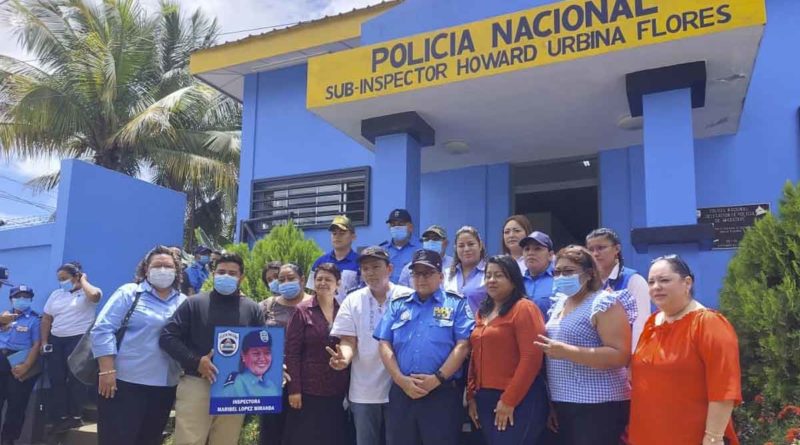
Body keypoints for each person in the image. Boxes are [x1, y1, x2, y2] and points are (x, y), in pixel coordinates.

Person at [629, 255, 741, 445]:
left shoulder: (708, 324)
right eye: (651, 282)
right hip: (646, 435)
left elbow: (724, 388)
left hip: (690, 436)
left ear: (686, 283)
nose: (656, 287)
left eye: (664, 280)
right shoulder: (652, 323)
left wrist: (713, 437)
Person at [533, 245, 637, 445]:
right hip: (564, 401)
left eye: (569, 271)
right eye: (558, 272)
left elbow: (619, 355)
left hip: (599, 405)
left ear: (589, 274)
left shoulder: (603, 302)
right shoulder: (560, 303)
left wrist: (568, 352)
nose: (562, 276)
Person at [159, 252, 264, 445]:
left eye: (232, 273)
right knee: (189, 441)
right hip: (197, 383)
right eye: (221, 272)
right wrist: (195, 361)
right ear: (213, 274)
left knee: (226, 441)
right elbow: (167, 337)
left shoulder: (253, 309)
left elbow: (261, 347)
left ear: (242, 277)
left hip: (235, 386)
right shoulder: (194, 303)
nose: (226, 276)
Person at [374, 249, 475, 445]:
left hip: (441, 393)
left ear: (441, 276)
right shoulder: (398, 305)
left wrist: (437, 378)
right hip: (403, 392)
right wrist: (400, 379)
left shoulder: (456, 304)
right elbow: (384, 342)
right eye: (416, 273)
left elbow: (463, 345)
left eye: (427, 273)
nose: (421, 278)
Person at [91, 246, 186, 445]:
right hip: (123, 384)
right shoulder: (130, 293)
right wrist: (106, 371)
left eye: (168, 266)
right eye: (157, 265)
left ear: (176, 272)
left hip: (164, 386)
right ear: (145, 269)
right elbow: (103, 329)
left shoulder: (183, 302)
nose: (162, 270)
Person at [329, 246, 414, 445]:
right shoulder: (352, 300)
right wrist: (344, 358)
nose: (370, 273)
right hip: (364, 391)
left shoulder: (409, 297)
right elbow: (349, 340)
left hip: (402, 388)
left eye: (376, 267)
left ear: (390, 269)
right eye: (365, 269)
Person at [467, 255, 548, 444]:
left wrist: (510, 399)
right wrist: (471, 395)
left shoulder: (524, 308)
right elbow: (475, 355)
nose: (492, 280)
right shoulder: (483, 311)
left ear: (513, 279)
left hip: (518, 397)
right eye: (488, 275)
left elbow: (531, 358)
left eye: (499, 275)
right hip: (485, 397)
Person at [283, 263, 350, 445]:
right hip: (308, 392)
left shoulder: (344, 310)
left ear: (338, 284)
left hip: (337, 390)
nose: (322, 283)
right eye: (319, 279)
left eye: (328, 279)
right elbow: (292, 352)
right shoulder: (302, 311)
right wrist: (294, 389)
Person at [41, 262, 102, 432]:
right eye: (59, 279)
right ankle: (60, 416)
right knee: (57, 378)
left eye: (64, 278)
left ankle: (75, 416)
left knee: (76, 378)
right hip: (57, 340)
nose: (61, 282)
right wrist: (45, 341)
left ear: (76, 276)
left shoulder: (88, 291)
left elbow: (95, 296)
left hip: (79, 340)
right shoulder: (56, 294)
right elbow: (46, 318)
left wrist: (83, 281)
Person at [258, 263, 312, 445]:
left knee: (300, 433)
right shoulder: (266, 306)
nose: (285, 283)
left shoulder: (315, 305)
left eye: (291, 279)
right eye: (281, 280)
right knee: (271, 433)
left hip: (306, 380)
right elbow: (250, 339)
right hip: (270, 378)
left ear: (302, 280)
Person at [585, 228, 650, 351]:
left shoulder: (634, 280)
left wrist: (633, 362)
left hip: (624, 359)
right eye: (590, 250)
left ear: (617, 249)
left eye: (601, 248)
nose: (595, 254)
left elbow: (640, 326)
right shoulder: (587, 282)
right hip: (593, 358)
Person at [0, 285, 42, 445]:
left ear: (31, 299)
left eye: (26, 297)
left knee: (16, 405)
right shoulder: (3, 316)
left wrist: (26, 366)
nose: (22, 300)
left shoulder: (34, 319)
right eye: (18, 297)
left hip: (20, 362)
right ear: (11, 299)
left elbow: (36, 344)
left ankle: (8, 439)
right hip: (1, 359)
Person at [307, 215, 360, 302]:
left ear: (353, 236)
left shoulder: (360, 262)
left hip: (350, 314)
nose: (337, 236)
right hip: (322, 313)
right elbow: (311, 292)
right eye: (334, 233)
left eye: (342, 233)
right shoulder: (320, 262)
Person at [221, 329, 280, 397]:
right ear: (243, 355)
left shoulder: (271, 385)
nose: (262, 358)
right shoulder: (236, 384)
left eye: (267, 353)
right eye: (256, 353)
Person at [445, 226, 487, 314]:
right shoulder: (446, 274)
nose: (466, 249)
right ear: (456, 249)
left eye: (471, 244)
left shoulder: (490, 273)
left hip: (479, 326)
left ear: (480, 246)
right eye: (461, 246)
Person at [519, 232, 556, 320]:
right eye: (527, 249)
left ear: (550, 255)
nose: (530, 253)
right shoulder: (517, 283)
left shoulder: (559, 280)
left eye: (537, 249)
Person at [379, 209, 418, 283]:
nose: (396, 227)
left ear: (411, 227)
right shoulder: (382, 251)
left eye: (400, 224)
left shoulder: (421, 248)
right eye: (393, 225)